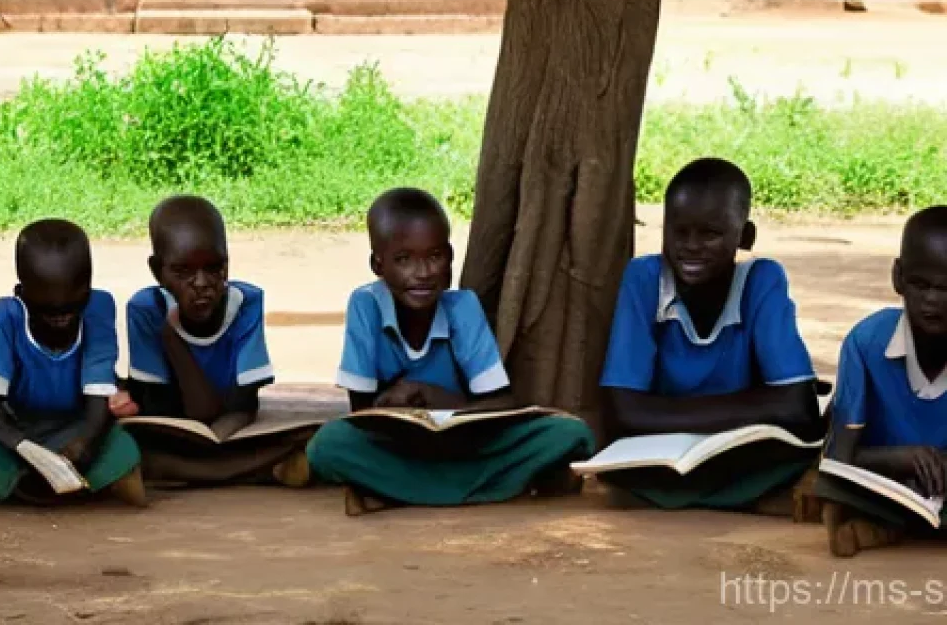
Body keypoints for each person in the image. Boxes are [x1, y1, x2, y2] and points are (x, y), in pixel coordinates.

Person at [305, 187, 596, 515]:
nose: (423, 272)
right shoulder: (366, 306)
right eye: (404, 260)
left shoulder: (463, 308)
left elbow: (501, 403)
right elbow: (360, 416)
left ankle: (395, 490)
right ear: (378, 264)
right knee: (329, 444)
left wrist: (433, 396)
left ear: (450, 258)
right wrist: (402, 412)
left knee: (571, 433)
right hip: (399, 448)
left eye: (435, 256)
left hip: (466, 445)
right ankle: (489, 487)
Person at [600, 158, 824, 511]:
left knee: (803, 448)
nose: (691, 246)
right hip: (662, 452)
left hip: (734, 447)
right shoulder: (644, 279)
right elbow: (624, 412)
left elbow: (798, 407)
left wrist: (659, 412)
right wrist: (758, 403)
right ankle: (748, 499)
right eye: (679, 231)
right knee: (620, 469)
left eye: (710, 234)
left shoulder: (761, 281)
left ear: (744, 236)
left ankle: (697, 496)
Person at [112, 196, 313, 486]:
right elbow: (161, 410)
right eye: (183, 273)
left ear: (227, 264)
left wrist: (213, 438)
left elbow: (242, 404)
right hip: (177, 429)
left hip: (232, 424)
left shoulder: (245, 302)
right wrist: (171, 338)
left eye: (214, 268)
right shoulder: (146, 310)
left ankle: (184, 472)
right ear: (157, 271)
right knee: (127, 441)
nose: (202, 284)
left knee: (309, 435)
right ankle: (260, 469)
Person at [0, 219, 144, 505]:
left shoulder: (98, 309)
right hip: (20, 429)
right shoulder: (7, 315)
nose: (62, 318)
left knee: (124, 446)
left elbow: (98, 401)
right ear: (21, 293)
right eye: (47, 310)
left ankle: (31, 491)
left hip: (77, 427)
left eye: (72, 306)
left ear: (88, 291)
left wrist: (81, 447)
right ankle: (47, 487)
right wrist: (25, 448)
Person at [822, 206, 947, 557]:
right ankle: (879, 520)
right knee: (831, 481)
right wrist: (903, 458)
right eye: (921, 284)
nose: (933, 300)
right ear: (898, 277)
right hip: (882, 476)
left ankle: (882, 526)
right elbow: (841, 455)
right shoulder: (866, 342)